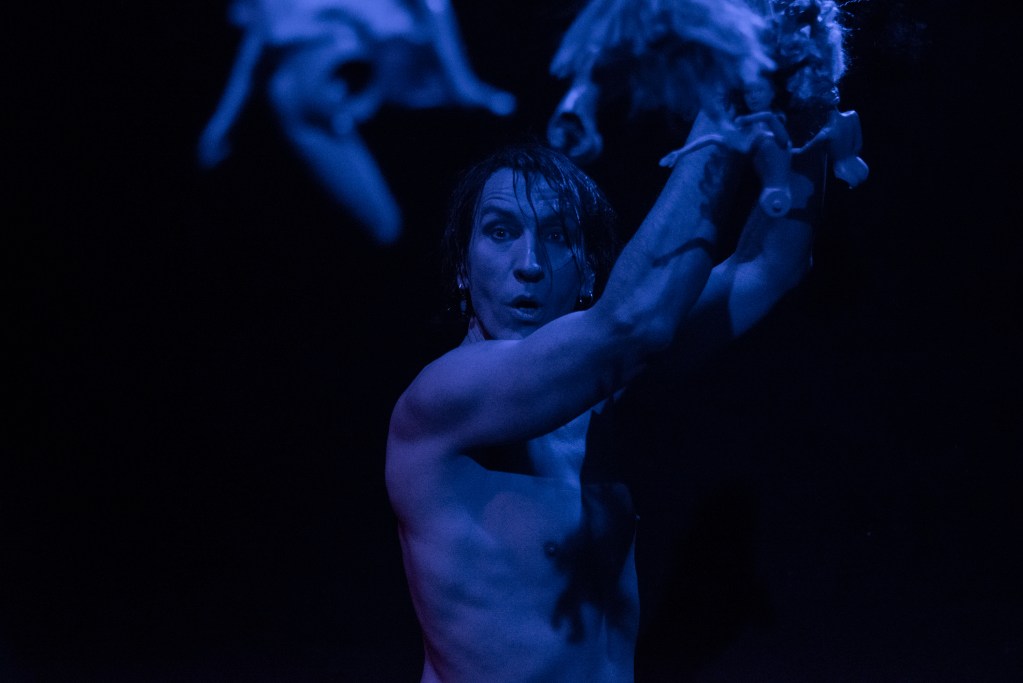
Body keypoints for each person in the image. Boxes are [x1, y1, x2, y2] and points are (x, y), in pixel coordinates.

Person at [384, 104, 826, 682]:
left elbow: (771, 264)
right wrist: (720, 110)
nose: (530, 264)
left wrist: (812, 98)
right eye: (501, 232)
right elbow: (632, 322)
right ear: (463, 268)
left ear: (591, 272)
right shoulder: (443, 396)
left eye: (557, 236)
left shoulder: (602, 390)